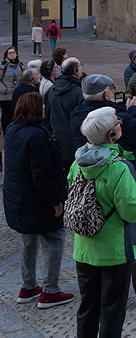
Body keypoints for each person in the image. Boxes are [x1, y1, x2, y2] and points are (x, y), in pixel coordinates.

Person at [70, 74, 136, 309]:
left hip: (91, 188)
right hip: (128, 178)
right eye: (111, 89)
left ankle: (102, 290)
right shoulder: (117, 123)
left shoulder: (78, 116)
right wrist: (131, 111)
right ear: (106, 94)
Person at [70, 107, 136, 337]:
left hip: (84, 250)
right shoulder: (119, 168)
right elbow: (132, 211)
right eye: (117, 122)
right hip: (114, 252)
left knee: (88, 307)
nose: (120, 123)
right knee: (112, 311)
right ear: (110, 136)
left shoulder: (78, 163)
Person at [3, 93, 73, 309]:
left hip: (19, 200)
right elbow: (42, 175)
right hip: (37, 202)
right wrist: (56, 202)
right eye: (42, 105)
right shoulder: (38, 136)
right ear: (35, 109)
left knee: (28, 240)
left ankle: (28, 286)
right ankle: (50, 290)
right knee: (55, 240)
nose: (45, 108)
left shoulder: (13, 130)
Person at [46, 57, 84, 170]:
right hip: (74, 145)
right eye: (80, 66)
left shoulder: (51, 90)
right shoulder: (79, 92)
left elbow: (46, 116)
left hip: (56, 141)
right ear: (75, 71)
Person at [0, 46, 24, 136]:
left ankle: (14, 133)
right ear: (6, 55)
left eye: (13, 52)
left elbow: (22, 78)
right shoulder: (3, 65)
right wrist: (5, 90)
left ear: (16, 54)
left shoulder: (20, 65)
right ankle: (6, 134)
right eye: (10, 53)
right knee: (6, 116)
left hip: (16, 95)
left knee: (16, 115)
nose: (12, 54)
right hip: (5, 96)